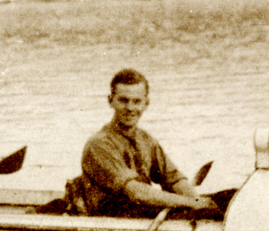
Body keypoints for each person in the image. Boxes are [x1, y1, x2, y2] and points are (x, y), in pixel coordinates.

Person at [79, 69, 217, 218]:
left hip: (141, 209)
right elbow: (136, 192)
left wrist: (196, 200)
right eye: (123, 100)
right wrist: (191, 203)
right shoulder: (98, 145)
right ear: (111, 101)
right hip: (115, 216)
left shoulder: (145, 140)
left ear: (146, 103)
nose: (130, 108)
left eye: (137, 101)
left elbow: (173, 179)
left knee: (226, 198)